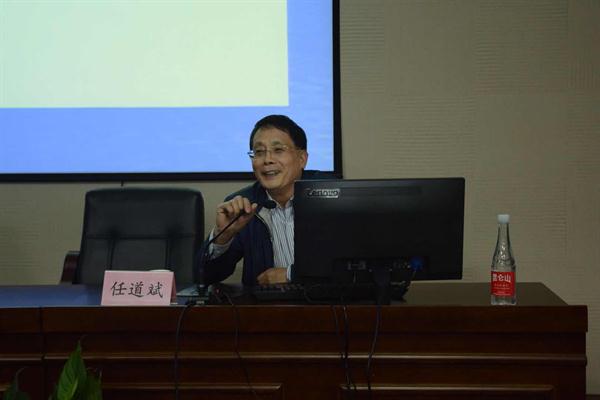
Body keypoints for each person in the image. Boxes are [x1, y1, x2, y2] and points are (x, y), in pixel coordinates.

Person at [198, 115, 320, 286]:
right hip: (264, 303)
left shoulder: (332, 198)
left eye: (278, 150)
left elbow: (349, 269)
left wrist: (290, 274)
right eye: (259, 152)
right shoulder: (243, 206)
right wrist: (223, 236)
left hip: (326, 302)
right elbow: (206, 277)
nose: (267, 160)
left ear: (302, 159)